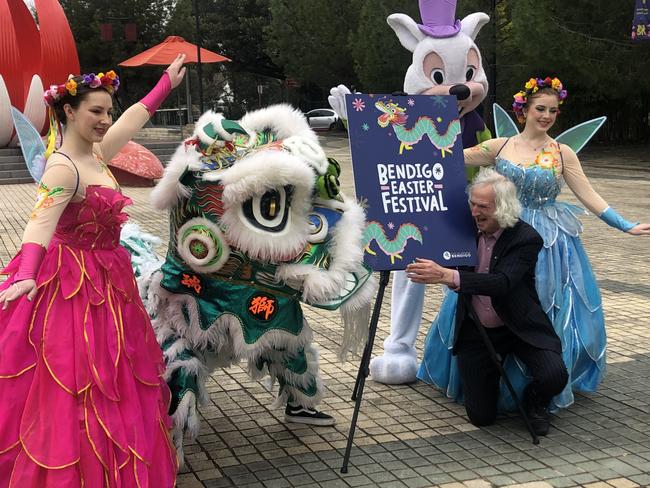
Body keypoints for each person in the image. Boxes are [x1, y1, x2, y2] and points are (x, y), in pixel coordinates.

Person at [0, 55, 186, 487]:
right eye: (95, 112)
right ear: (68, 111)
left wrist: (164, 85)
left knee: (115, 374)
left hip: (111, 280)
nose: (105, 120)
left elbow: (135, 119)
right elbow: (38, 223)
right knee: (73, 379)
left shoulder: (99, 152)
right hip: (71, 285)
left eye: (108, 111)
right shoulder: (63, 166)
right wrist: (27, 273)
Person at [417, 76, 650, 411]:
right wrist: (410, 133)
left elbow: (588, 194)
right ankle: (484, 371)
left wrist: (624, 224)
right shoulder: (499, 146)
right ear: (523, 110)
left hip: (551, 241)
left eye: (553, 110)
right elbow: (449, 156)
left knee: (543, 305)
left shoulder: (561, 152)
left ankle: (541, 382)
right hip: (503, 229)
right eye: (540, 108)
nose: (547, 115)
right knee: (490, 296)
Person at [407, 168, 568, 433]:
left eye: (482, 206)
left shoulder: (526, 238)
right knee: (481, 416)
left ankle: (534, 401)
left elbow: (502, 283)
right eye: (472, 203)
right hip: (477, 330)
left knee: (554, 376)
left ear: (503, 208)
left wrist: (447, 275)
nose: (473, 212)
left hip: (519, 325)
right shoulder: (463, 229)